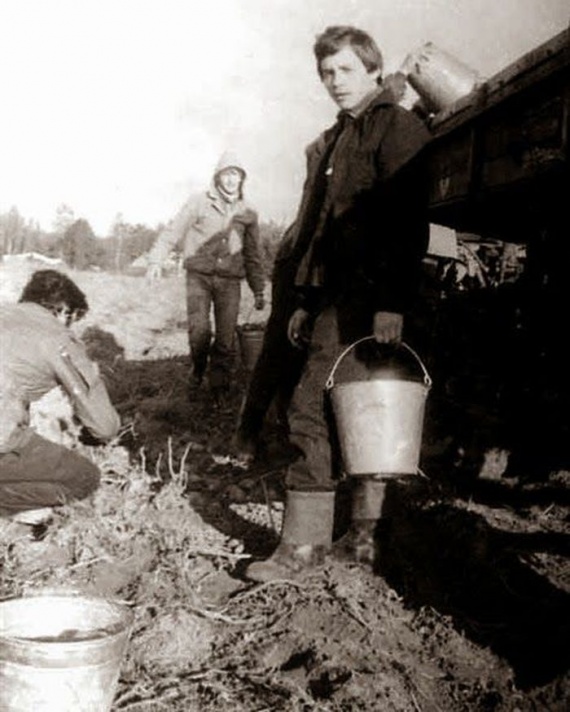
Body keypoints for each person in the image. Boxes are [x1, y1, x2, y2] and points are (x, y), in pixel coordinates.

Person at [246, 26, 431, 582]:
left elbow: (406, 222)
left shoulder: (397, 127)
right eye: (326, 73)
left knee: (309, 406)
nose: (334, 81)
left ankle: (303, 548)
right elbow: (321, 230)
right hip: (335, 294)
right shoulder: (339, 137)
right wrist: (305, 300)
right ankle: (365, 542)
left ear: (374, 70)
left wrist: (391, 303)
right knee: (358, 409)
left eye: (345, 70)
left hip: (369, 296)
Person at [0, 269, 121, 528]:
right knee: (85, 477)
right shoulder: (57, 337)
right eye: (72, 319)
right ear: (64, 310)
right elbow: (104, 427)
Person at [147, 151, 266, 400]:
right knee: (199, 332)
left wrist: (258, 289)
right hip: (198, 277)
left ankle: (218, 388)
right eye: (226, 174)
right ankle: (198, 370)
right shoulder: (199, 202)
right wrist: (156, 260)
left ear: (242, 179)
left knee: (225, 338)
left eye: (236, 175)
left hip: (230, 281)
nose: (231, 180)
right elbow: (173, 230)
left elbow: (253, 254)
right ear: (217, 176)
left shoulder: (248, 212)